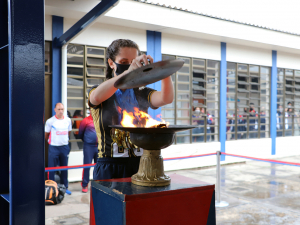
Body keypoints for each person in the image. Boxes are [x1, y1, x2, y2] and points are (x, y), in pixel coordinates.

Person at [88, 39, 174, 181]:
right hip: (110, 166)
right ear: (111, 63)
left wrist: (164, 71)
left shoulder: (141, 93)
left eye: (134, 61)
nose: (130, 65)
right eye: (123, 62)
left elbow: (166, 98)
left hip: (140, 164)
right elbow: (95, 98)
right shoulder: (100, 91)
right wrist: (128, 72)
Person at [45, 103, 72, 195]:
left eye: (62, 109)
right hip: (53, 147)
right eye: (59, 109)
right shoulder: (50, 121)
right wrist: (52, 142)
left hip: (64, 147)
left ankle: (65, 187)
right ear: (55, 110)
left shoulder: (68, 120)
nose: (61, 111)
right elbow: (46, 134)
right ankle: (50, 188)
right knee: (51, 169)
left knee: (64, 168)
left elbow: (68, 132)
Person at [78, 110, 98, 193]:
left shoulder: (99, 120)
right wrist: (87, 141)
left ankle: (97, 184)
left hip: (98, 146)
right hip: (88, 147)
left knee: (98, 166)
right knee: (87, 166)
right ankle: (85, 184)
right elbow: (80, 134)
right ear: (90, 110)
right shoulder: (85, 120)